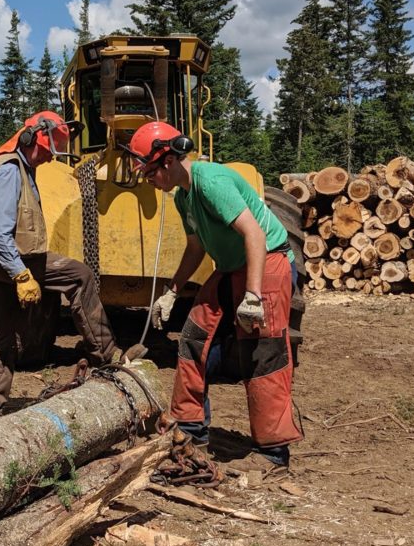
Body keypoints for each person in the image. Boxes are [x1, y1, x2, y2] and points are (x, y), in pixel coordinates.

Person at [127, 121, 303, 468]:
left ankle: (273, 452)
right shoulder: (183, 197)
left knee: (262, 351)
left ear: (166, 161)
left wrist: (252, 297)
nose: (147, 180)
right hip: (230, 265)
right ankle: (189, 430)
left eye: (148, 172)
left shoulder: (211, 183)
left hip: (267, 259)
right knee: (194, 336)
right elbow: (195, 248)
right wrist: (172, 292)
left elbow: (254, 234)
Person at [0, 111, 119, 423]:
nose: (49, 159)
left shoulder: (19, 166)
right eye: (47, 152)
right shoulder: (10, 171)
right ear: (31, 138)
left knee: (7, 332)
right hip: (13, 261)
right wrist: (21, 275)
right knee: (80, 276)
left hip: (3, 262)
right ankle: (107, 356)